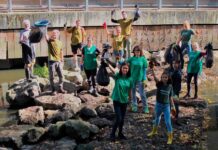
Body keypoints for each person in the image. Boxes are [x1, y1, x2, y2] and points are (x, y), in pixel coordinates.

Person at [147, 69, 176, 145]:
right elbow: (156, 79)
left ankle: (170, 136)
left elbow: (170, 97)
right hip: (158, 105)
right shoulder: (159, 85)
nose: (164, 79)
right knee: (157, 118)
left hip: (166, 106)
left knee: (168, 122)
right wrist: (153, 71)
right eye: (163, 77)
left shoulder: (170, 86)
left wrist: (173, 107)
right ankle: (154, 131)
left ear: (168, 78)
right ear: (161, 78)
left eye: (165, 77)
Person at [107, 61, 132, 142]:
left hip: (124, 100)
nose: (125, 69)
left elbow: (130, 90)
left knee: (122, 119)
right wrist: (107, 64)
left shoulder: (130, 78)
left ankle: (120, 134)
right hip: (117, 99)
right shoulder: (118, 76)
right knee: (119, 118)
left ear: (129, 69)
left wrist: (130, 100)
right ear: (121, 68)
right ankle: (112, 134)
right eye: (124, 68)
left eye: (127, 68)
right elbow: (113, 70)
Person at [127, 45, 148, 113]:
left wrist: (144, 79)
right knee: (133, 93)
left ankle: (145, 107)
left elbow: (144, 70)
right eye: (136, 51)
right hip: (132, 78)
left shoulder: (143, 59)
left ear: (140, 51)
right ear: (134, 51)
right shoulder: (131, 59)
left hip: (140, 79)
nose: (137, 52)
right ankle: (134, 106)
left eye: (138, 51)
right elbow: (125, 63)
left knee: (142, 94)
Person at [45, 29, 66, 95]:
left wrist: (62, 59)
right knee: (52, 77)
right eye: (53, 33)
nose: (54, 35)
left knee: (61, 76)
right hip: (51, 61)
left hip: (58, 61)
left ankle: (60, 87)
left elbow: (61, 51)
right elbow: (46, 36)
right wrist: (45, 28)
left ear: (58, 35)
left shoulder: (60, 42)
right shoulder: (49, 41)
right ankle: (53, 90)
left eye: (55, 33)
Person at [170, 60, 182, 125]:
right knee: (175, 104)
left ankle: (175, 118)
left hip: (175, 91)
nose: (174, 65)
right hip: (173, 91)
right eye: (174, 63)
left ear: (178, 64)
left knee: (175, 104)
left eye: (176, 63)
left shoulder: (177, 72)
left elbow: (177, 83)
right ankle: (175, 118)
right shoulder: (175, 72)